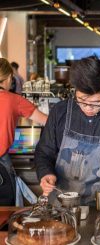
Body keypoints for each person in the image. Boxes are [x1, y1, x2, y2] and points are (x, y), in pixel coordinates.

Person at [34, 57, 100, 208]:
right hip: (59, 205)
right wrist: (46, 173)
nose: (88, 108)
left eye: (96, 103)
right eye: (82, 100)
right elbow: (44, 151)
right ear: (75, 90)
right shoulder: (60, 112)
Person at [0, 58, 48, 206]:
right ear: (9, 78)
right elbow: (47, 121)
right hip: (1, 161)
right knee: (6, 209)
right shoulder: (14, 100)